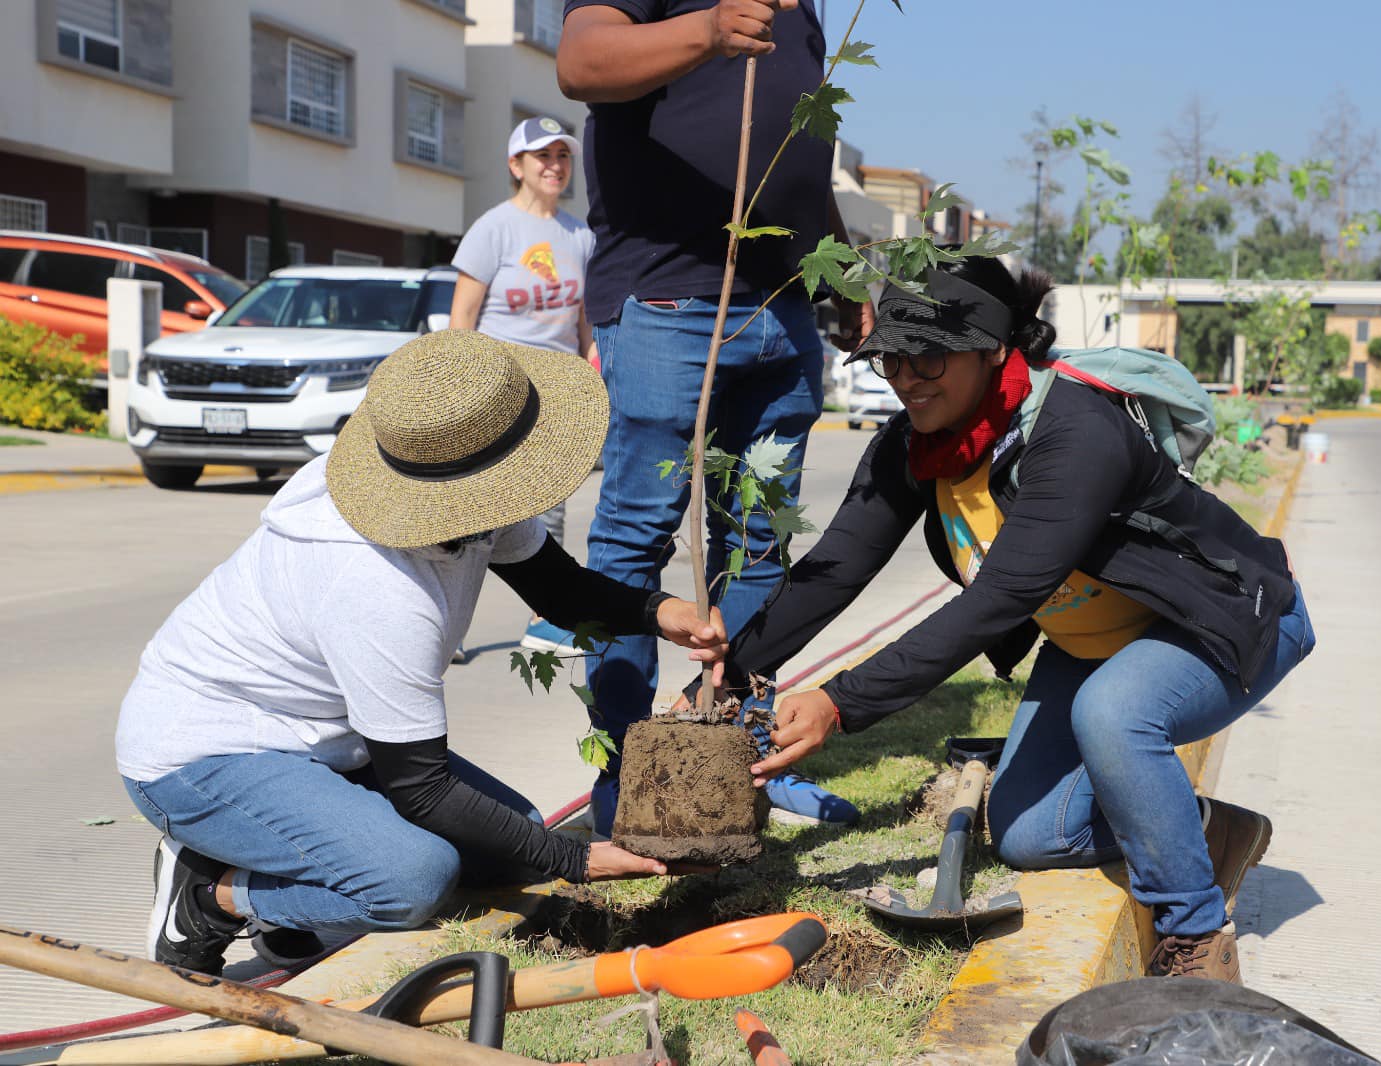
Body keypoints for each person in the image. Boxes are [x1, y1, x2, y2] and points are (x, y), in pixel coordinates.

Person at [701, 258, 1315, 983]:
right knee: (1029, 834)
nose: (906, 376)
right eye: (892, 358)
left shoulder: (1075, 432)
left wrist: (839, 702)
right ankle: (1202, 832)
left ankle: (1195, 937)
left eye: (928, 354)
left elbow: (998, 599)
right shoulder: (913, 445)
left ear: (995, 348)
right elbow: (833, 570)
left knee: (1113, 713)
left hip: (1220, 622)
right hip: (1095, 644)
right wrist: (730, 672)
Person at [116, 329, 727, 976]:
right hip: (202, 756)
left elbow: (557, 586)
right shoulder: (375, 583)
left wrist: (662, 613)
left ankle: (301, 901)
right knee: (416, 879)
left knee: (509, 839)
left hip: (323, 738)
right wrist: (579, 860)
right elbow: (422, 789)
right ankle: (211, 896)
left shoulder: (471, 488)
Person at [556, 0, 872, 831]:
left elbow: (797, 160)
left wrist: (835, 268)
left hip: (785, 303)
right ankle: (628, 770)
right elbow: (582, 64)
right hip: (669, 298)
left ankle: (734, 751)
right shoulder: (717, 12)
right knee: (637, 531)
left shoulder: (804, 9)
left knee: (761, 534)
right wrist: (706, 31)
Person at [451, 116, 598, 657]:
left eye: (563, 156)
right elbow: (461, 318)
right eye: (543, 156)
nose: (555, 166)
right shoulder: (493, 229)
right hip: (496, 393)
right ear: (516, 165)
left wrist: (590, 373)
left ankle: (549, 621)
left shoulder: (580, 235)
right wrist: (462, 393)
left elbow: (583, 323)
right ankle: (445, 629)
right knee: (474, 513)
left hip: (556, 395)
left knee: (548, 508)